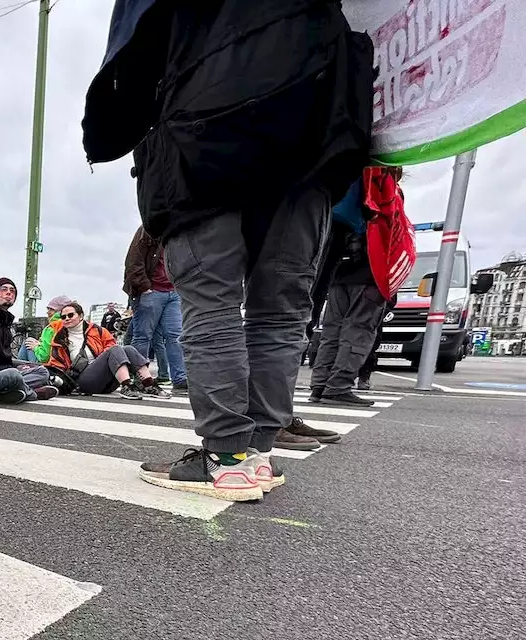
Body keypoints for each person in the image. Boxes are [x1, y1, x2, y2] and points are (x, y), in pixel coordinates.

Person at [84, 1, 373, 500]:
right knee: (281, 308)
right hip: (316, 113)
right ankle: (258, 453)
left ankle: (226, 455)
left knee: (211, 301)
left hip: (207, 119)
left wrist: (111, 126)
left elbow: (138, 45)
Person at [310, 168, 406, 406]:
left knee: (332, 332)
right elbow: (392, 232)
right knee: (359, 330)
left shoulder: (346, 182)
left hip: (338, 272)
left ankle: (320, 385)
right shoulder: (384, 189)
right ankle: (338, 386)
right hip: (369, 271)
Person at [44, 302, 170, 399]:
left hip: (107, 379)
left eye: (70, 315)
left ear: (81, 316)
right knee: (115, 349)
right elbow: (56, 366)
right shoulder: (59, 338)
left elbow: (112, 347)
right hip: (82, 381)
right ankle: (127, 385)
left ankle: (148, 385)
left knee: (128, 349)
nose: (66, 318)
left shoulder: (98, 331)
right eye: (63, 316)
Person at [123, 225, 188, 390]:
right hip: (151, 291)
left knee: (175, 335)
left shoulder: (181, 231)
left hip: (173, 291)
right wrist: (145, 288)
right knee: (143, 336)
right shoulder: (148, 229)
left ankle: (180, 378)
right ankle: (140, 378)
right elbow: (133, 260)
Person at [22, 295, 72, 363]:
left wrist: (35, 347)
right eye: (48, 309)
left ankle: (19, 370)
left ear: (60, 311)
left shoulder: (52, 327)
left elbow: (44, 357)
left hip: (50, 366)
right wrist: (39, 344)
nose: (48, 312)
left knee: (27, 342)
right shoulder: (71, 325)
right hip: (66, 364)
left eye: (51, 309)